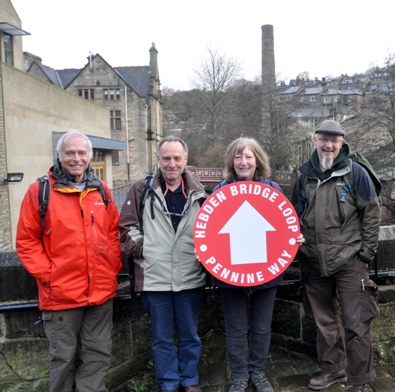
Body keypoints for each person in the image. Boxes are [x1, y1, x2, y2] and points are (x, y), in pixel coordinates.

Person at [16, 130, 122, 392]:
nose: (76, 158)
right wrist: (50, 276)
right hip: (61, 296)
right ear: (59, 156)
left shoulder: (102, 190)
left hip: (100, 293)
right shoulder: (39, 191)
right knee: (62, 360)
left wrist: (111, 268)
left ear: (90, 156)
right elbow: (26, 242)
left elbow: (113, 233)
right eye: (70, 153)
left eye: (82, 153)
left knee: (98, 355)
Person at [290, 120, 381, 392]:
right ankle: (333, 371)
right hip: (313, 261)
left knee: (357, 324)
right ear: (314, 140)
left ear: (342, 143)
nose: (328, 145)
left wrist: (365, 253)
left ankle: (361, 380)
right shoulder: (304, 176)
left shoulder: (356, 173)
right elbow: (291, 215)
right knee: (324, 322)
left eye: (334, 140)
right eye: (323, 139)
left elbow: (372, 214)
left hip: (349, 261)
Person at [212, 138, 304, 392]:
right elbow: (210, 231)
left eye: (249, 157)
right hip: (229, 273)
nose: (243, 162)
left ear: (258, 161)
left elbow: (285, 224)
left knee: (262, 326)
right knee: (235, 328)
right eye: (238, 157)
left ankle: (258, 372)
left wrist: (294, 236)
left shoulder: (273, 189)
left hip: (267, 270)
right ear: (231, 161)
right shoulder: (220, 190)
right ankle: (240, 375)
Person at [119, 135, 205, 392]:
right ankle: (168, 382)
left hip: (190, 276)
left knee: (190, 335)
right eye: (166, 158)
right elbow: (125, 228)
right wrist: (146, 248)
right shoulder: (140, 189)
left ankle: (189, 380)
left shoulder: (200, 193)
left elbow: (213, 231)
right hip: (154, 278)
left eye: (177, 158)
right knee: (162, 338)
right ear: (158, 160)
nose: (171, 163)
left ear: (185, 159)